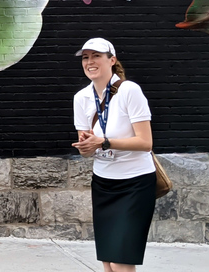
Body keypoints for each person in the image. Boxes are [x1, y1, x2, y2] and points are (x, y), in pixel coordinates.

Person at [71, 38, 156, 272]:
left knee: (121, 262)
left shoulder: (130, 90)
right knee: (108, 263)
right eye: (86, 57)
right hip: (103, 184)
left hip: (135, 185)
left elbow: (145, 142)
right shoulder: (81, 98)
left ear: (112, 60)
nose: (90, 62)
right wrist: (88, 148)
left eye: (96, 56)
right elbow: (89, 146)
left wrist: (105, 142)